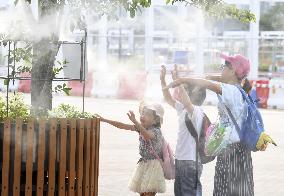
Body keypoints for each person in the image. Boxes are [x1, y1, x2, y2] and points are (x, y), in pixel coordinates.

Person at [164, 53, 255, 196]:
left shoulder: (231, 91)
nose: (221, 69)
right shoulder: (237, 89)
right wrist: (209, 76)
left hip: (232, 153)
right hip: (234, 152)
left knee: (228, 191)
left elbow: (208, 84)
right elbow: (215, 79)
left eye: (224, 66)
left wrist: (181, 80)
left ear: (233, 71)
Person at [99, 102, 166, 196]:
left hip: (154, 167)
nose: (143, 116)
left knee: (148, 193)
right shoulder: (141, 128)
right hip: (144, 164)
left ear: (156, 120)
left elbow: (147, 135)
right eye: (142, 113)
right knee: (142, 193)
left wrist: (135, 121)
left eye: (147, 114)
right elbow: (122, 125)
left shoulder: (156, 131)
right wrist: (104, 120)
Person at [160, 65, 207, 196]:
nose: (180, 92)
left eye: (185, 90)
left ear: (194, 95)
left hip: (191, 162)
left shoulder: (197, 112)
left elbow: (187, 103)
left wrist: (180, 82)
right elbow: (168, 98)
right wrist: (162, 80)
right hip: (181, 161)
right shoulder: (184, 110)